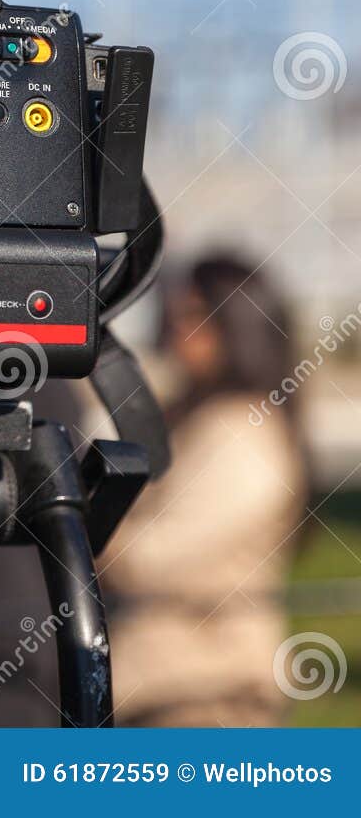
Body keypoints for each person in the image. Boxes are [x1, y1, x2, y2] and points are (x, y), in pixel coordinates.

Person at [101, 254, 308, 726]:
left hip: (203, 696)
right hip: (160, 685)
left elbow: (149, 559)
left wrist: (73, 529)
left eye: (196, 313)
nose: (176, 325)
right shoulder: (193, 413)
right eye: (176, 310)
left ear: (240, 325)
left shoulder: (246, 431)